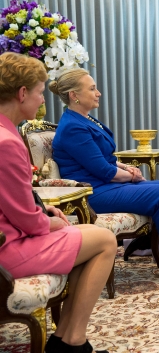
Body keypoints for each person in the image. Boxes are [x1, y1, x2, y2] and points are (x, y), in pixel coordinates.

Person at [0, 52, 116, 353]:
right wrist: (47, 220)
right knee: (104, 239)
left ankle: (66, 340)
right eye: (39, 93)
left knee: (87, 238)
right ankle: (72, 342)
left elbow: (13, 201)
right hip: (7, 250)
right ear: (22, 93)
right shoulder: (7, 143)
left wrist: (42, 209)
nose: (42, 101)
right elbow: (27, 221)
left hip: (8, 236)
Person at [49, 68, 159, 282]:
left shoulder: (85, 120)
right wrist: (132, 176)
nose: (98, 93)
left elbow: (105, 159)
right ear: (74, 95)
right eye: (92, 88)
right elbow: (105, 171)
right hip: (94, 192)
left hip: (107, 185)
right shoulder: (72, 127)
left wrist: (125, 167)